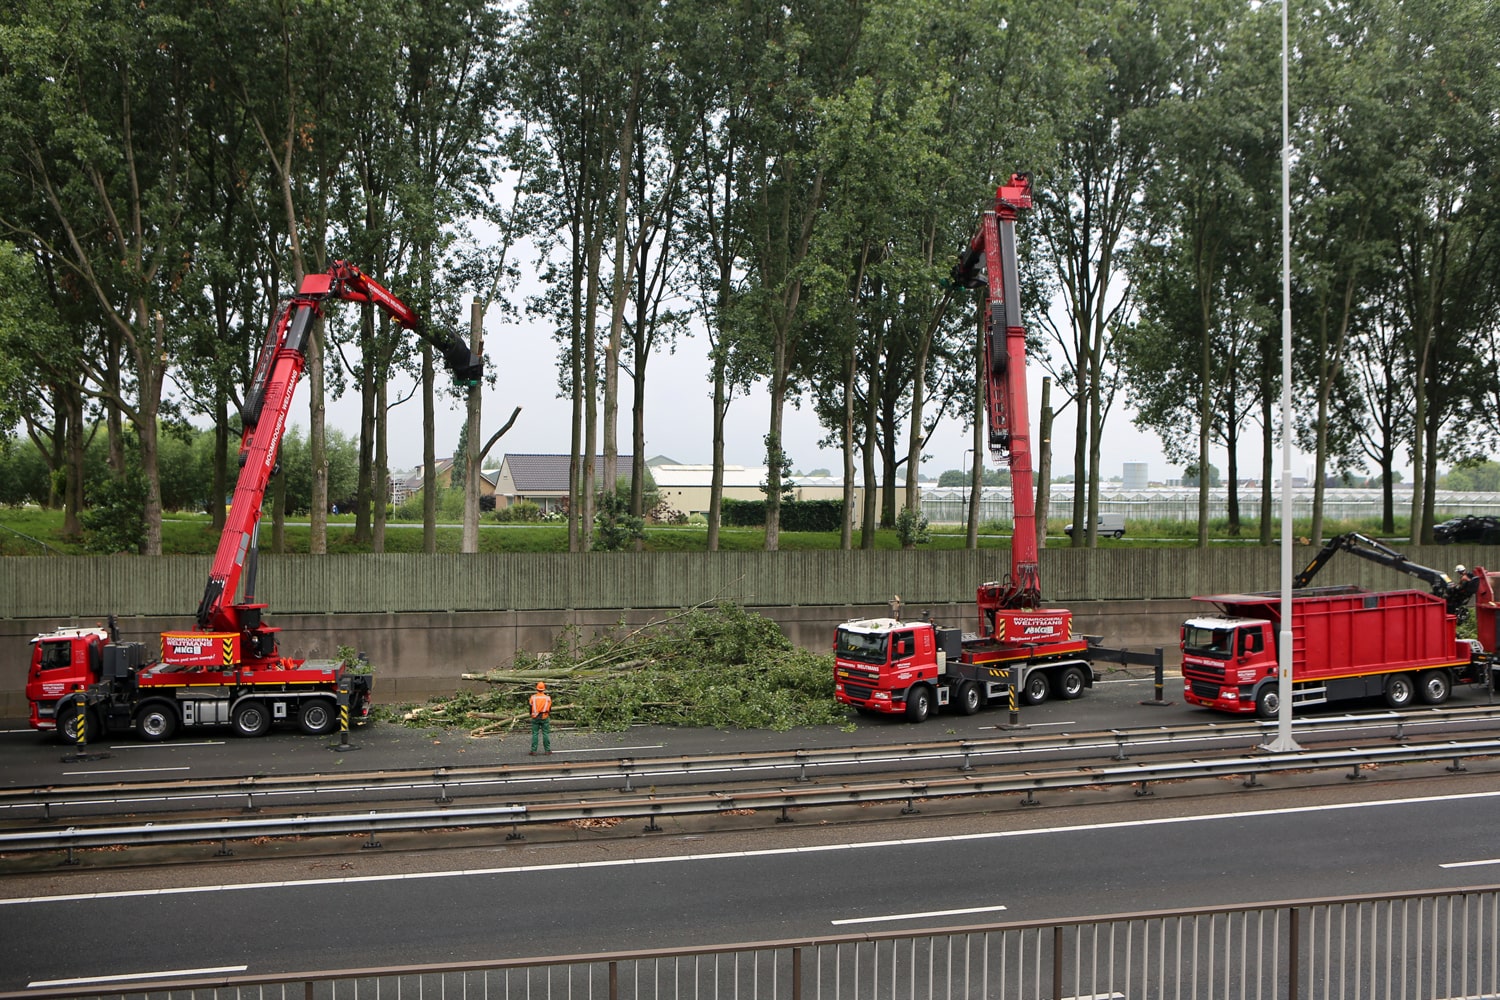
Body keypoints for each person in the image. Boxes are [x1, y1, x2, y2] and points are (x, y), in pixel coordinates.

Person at [528, 681, 552, 755]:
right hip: (545, 717)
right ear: (544, 689)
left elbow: (530, 708)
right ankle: (547, 750)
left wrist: (531, 715)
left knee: (535, 734)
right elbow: (550, 709)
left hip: (535, 717)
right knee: (545, 733)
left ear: (537, 689)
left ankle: (533, 751)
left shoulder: (533, 697)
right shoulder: (548, 698)